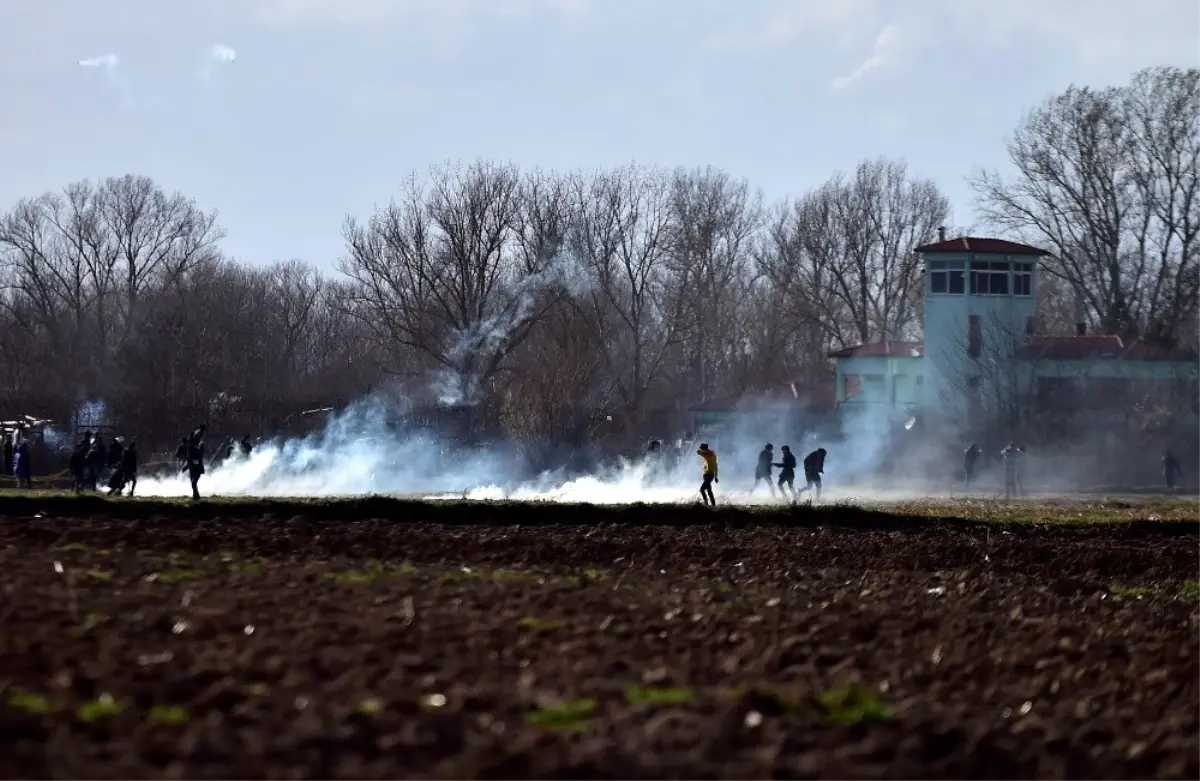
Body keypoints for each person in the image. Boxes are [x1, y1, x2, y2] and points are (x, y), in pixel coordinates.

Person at [187, 425, 208, 500]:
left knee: (193, 482)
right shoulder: (193, 447)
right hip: (194, 465)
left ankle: (196, 496)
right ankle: (196, 495)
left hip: (196, 465)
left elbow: (199, 455)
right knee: (193, 482)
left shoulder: (199, 445)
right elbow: (190, 457)